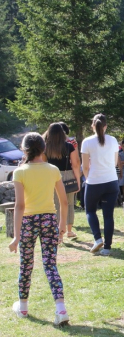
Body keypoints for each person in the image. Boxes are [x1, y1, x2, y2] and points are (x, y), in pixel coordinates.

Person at [8, 132, 70, 326]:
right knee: (50, 264)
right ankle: (61, 309)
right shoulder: (52, 169)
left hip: (28, 221)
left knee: (26, 264)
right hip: (49, 220)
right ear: (43, 148)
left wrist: (16, 236)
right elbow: (64, 202)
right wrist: (62, 226)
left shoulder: (20, 172)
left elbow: (19, 206)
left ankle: (23, 306)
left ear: (24, 149)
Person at [81, 114, 120, 256]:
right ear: (106, 126)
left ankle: (98, 238)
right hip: (111, 181)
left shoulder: (87, 142)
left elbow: (85, 166)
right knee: (108, 215)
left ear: (93, 126)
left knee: (90, 211)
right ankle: (107, 247)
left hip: (94, 182)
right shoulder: (113, 140)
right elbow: (115, 162)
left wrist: (88, 178)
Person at [42, 123, 81, 239]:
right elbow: (76, 164)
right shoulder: (69, 146)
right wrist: (78, 180)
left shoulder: (45, 148)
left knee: (55, 204)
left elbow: (44, 164)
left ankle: (58, 232)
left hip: (51, 175)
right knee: (69, 203)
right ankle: (68, 230)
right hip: (67, 175)